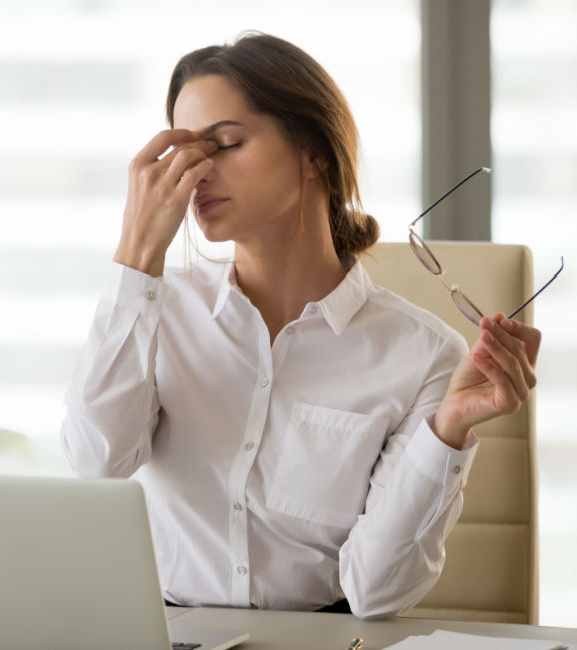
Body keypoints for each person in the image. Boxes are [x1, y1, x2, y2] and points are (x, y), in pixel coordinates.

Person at [60, 33, 541, 618]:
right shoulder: (155, 309)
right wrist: (136, 254)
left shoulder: (425, 354)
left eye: (227, 144)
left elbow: (374, 592)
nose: (197, 176)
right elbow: (97, 462)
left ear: (314, 152)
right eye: (185, 155)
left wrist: (446, 433)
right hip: (166, 630)